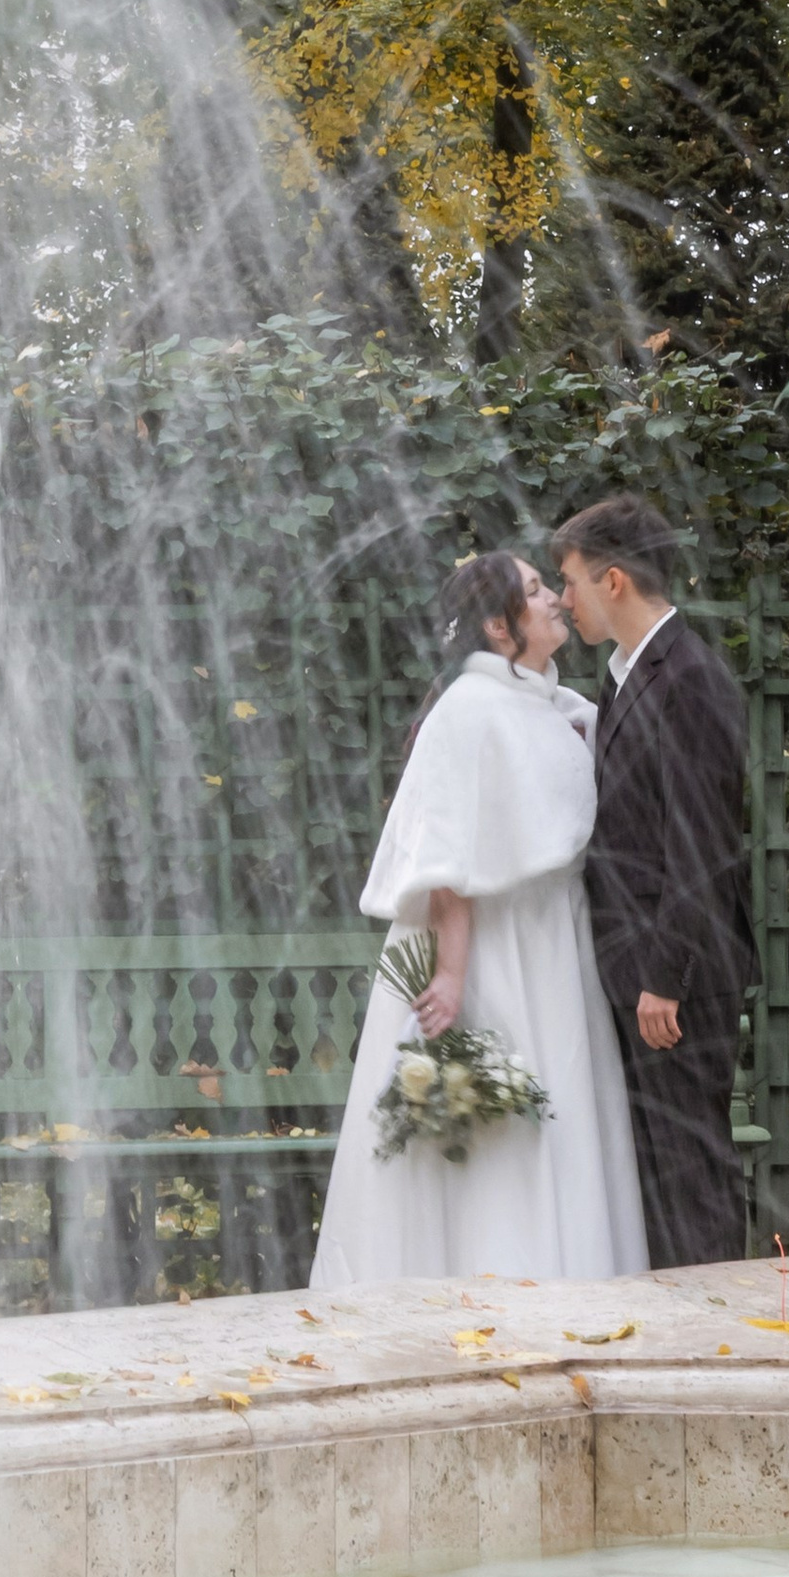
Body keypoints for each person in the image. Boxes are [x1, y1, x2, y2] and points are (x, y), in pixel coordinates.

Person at [311, 549, 647, 1287]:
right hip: (496, 954)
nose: (555, 600)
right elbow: (446, 862)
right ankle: (498, 1284)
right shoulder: (468, 710)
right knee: (498, 1135)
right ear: (501, 626)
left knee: (557, 1120)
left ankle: (568, 1279)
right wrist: (454, 976)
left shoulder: (549, 704)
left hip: (551, 944)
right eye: (535, 591)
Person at [553, 491, 755, 1269]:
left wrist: (664, 977)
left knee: (690, 1169)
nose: (562, 599)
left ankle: (719, 1335)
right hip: (637, 973)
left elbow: (701, 841)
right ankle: (684, 1335)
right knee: (658, 1175)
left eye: (569, 580)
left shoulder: (689, 677)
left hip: (678, 983)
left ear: (613, 582)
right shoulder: (625, 676)